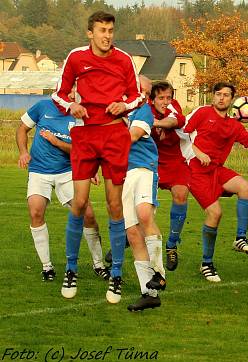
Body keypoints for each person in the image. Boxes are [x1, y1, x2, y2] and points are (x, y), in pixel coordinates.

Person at [51, 10, 143, 300]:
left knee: (115, 206)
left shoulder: (124, 59)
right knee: (79, 203)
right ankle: (70, 269)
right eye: (101, 30)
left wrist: (123, 105)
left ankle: (115, 274)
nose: (107, 36)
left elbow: (138, 95)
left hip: (115, 135)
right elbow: (59, 94)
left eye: (110, 30)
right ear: (90, 33)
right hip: (86, 136)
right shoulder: (76, 57)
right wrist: (71, 107)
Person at [184, 82, 248, 282]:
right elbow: (183, 134)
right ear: (213, 96)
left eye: (226, 95)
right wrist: (197, 152)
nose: (221, 98)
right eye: (218, 94)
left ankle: (240, 239)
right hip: (196, 171)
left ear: (232, 100)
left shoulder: (233, 125)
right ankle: (206, 264)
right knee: (215, 213)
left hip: (217, 170)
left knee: (246, 187)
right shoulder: (202, 113)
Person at [16, 97, 109, 282]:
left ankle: (99, 264)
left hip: (68, 171)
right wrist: (23, 152)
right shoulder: (43, 106)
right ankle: (47, 267)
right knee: (35, 212)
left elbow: (82, 149)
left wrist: (58, 143)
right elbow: (22, 129)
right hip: (39, 171)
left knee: (88, 215)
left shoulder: (83, 114)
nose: (73, 92)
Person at [122, 75, 165, 310]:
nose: (145, 95)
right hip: (121, 175)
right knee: (132, 233)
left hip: (143, 168)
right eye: (143, 90)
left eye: (147, 92)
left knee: (144, 215)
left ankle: (159, 273)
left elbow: (132, 136)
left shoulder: (144, 111)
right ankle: (149, 294)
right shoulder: (115, 109)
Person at [149, 81, 189, 271]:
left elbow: (175, 121)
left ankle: (172, 244)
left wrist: (156, 123)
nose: (166, 101)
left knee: (181, 194)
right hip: (150, 161)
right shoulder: (144, 108)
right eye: (161, 98)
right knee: (144, 203)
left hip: (174, 160)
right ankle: (128, 236)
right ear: (153, 99)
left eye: (169, 97)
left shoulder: (173, 107)